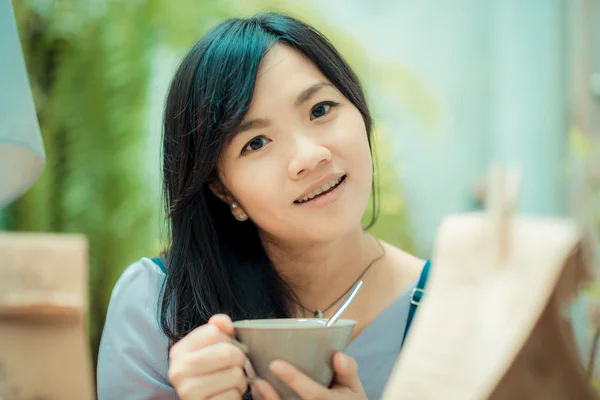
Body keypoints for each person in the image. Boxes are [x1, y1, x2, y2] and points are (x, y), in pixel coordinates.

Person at [97, 11, 429, 400]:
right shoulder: (153, 308)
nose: (309, 156)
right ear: (222, 190)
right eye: (256, 143)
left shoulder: (445, 310)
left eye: (320, 109)